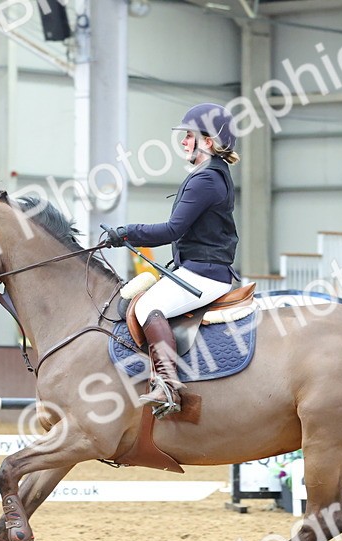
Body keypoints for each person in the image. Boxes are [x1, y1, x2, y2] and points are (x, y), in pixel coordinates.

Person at [103, 102, 240, 417]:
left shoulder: (206, 179)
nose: (183, 142)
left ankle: (167, 384)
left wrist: (125, 233)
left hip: (204, 273)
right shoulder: (212, 174)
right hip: (199, 268)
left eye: (189, 136)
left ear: (208, 141)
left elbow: (172, 229)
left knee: (150, 307)